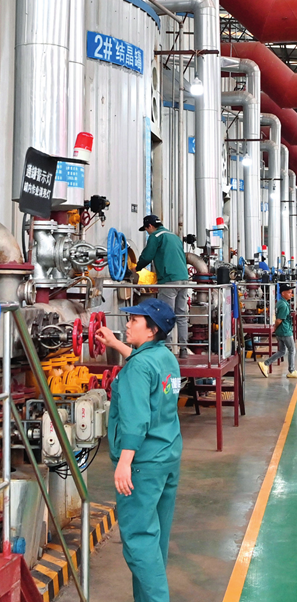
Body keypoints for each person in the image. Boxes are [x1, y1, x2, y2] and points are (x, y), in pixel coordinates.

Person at [97, 299, 182, 602]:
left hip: (142, 465)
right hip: (167, 457)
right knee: (154, 541)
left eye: (135, 320)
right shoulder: (166, 358)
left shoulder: (137, 368)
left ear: (152, 330)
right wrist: (116, 345)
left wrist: (124, 462)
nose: (128, 324)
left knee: (139, 541)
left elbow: (135, 420)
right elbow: (144, 366)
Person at [136, 215, 190, 357]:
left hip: (169, 279)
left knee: (165, 314)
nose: (147, 232)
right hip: (184, 279)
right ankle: (183, 349)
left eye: (146, 229)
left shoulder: (155, 236)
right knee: (181, 314)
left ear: (150, 226)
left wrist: (136, 268)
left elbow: (147, 256)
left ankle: (167, 349)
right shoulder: (174, 236)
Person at [257, 283, 297, 379]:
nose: (291, 295)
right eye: (289, 292)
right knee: (292, 350)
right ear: (283, 293)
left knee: (282, 351)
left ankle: (265, 364)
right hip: (285, 331)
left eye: (291, 292)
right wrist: (275, 327)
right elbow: (279, 320)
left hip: (280, 332)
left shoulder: (280, 302)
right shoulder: (284, 305)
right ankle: (292, 371)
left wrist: (276, 329)